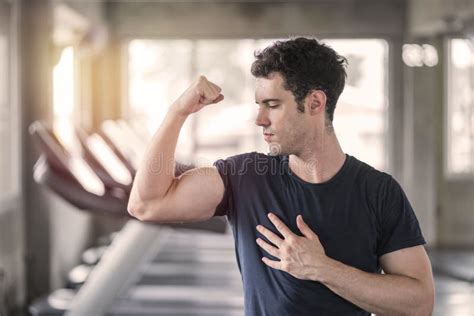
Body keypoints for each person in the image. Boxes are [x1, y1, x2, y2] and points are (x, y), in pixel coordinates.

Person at [128, 37, 435, 315]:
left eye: (272, 105)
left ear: (315, 103)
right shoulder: (245, 176)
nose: (259, 119)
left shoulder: (378, 191)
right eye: (259, 105)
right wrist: (177, 113)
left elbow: (420, 304)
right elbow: (147, 203)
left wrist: (321, 268)